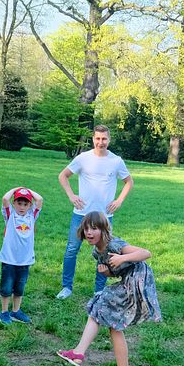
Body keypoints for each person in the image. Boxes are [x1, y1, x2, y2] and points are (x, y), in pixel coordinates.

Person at [57, 212, 162, 366]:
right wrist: (107, 273)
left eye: (94, 228)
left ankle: (80, 353)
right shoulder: (96, 253)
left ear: (104, 229)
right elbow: (116, 270)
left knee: (101, 305)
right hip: (127, 281)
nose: (89, 232)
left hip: (138, 280)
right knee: (109, 320)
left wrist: (123, 256)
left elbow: (145, 253)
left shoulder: (114, 243)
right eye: (86, 228)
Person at [56, 125, 133, 299]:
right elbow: (63, 176)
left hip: (104, 217)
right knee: (71, 249)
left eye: (104, 139)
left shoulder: (116, 161)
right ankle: (66, 287)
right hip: (81, 214)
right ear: (93, 139)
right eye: (98, 138)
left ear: (109, 139)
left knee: (104, 253)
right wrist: (71, 195)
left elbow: (128, 182)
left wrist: (119, 201)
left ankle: (99, 289)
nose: (101, 142)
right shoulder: (83, 158)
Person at [0, 187, 44, 325]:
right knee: (6, 287)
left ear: (30, 205)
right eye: (19, 203)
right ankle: (4, 313)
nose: (22, 207)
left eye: (25, 204)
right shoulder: (10, 214)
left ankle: (16, 311)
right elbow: (5, 199)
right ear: (14, 203)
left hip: (25, 260)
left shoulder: (32, 216)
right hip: (9, 258)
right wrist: (16, 189)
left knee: (19, 287)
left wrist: (27, 190)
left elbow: (40, 199)